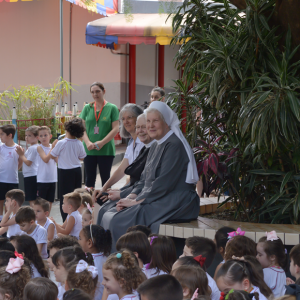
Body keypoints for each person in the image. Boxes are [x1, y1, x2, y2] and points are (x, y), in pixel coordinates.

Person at [100, 101, 199, 249]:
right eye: (148, 121)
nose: (150, 125)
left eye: (155, 121)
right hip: (158, 196)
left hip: (178, 199)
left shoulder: (174, 145)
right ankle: (105, 259)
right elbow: (144, 180)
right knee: (107, 209)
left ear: (166, 123)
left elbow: (164, 184)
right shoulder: (156, 144)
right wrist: (130, 197)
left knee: (118, 219)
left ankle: (125, 265)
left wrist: (136, 202)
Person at [95, 112, 155, 224]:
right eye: (123, 119)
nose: (126, 121)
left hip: (141, 195)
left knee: (111, 215)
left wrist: (123, 194)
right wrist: (105, 188)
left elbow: (147, 183)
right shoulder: (136, 144)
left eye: (129, 117)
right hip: (134, 190)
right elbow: (123, 170)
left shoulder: (149, 146)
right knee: (101, 200)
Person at [39, 117, 86, 221]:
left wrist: (55, 147)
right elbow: (82, 157)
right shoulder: (79, 143)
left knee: (65, 198)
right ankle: (76, 218)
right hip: (77, 171)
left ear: (67, 129)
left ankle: (66, 221)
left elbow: (52, 155)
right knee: (76, 196)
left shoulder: (61, 143)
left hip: (65, 172)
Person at [79, 82, 120, 188]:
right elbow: (81, 127)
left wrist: (102, 142)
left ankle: (105, 202)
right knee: (89, 179)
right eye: (92, 92)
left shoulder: (112, 108)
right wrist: (87, 142)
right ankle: (88, 203)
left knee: (106, 178)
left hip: (106, 149)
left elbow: (116, 128)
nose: (95, 94)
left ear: (104, 91)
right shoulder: (87, 108)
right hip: (89, 149)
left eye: (98, 91)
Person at [78, 224, 112, 300]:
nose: (78, 241)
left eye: (80, 238)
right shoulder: (107, 259)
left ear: (89, 243)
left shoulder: (85, 262)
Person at [0, 124, 22, 220]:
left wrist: (13, 171)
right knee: (1, 200)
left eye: (1, 134)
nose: (0, 136)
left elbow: (20, 163)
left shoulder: (18, 149)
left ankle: (8, 220)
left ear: (10, 135)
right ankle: (1, 219)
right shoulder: (1, 147)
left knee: (11, 202)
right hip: (1, 179)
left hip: (13, 180)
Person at [256, 231, 287, 297]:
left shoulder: (265, 273)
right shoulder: (282, 272)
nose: (256, 257)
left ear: (272, 257)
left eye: (260, 255)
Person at [15, 125, 40, 207]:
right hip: (32, 175)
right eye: (26, 135)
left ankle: (34, 216)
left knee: (31, 199)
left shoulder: (33, 148)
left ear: (37, 137)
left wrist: (21, 155)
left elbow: (28, 163)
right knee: (33, 198)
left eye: (29, 135)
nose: (26, 137)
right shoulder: (33, 148)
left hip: (31, 175)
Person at [36, 126, 57, 212]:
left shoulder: (53, 146)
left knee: (50, 201)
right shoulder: (39, 147)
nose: (43, 137)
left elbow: (57, 160)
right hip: (42, 179)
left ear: (50, 136)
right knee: (41, 202)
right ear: (38, 138)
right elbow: (45, 159)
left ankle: (46, 218)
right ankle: (40, 220)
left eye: (45, 135)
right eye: (41, 136)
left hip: (52, 178)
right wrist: (53, 149)